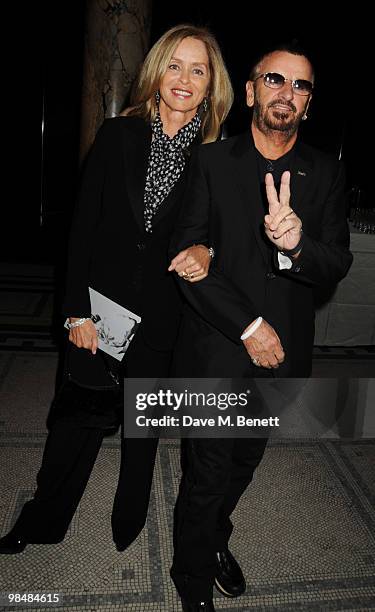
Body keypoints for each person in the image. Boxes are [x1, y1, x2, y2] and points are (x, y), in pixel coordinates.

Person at [0, 24, 233, 555]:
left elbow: (221, 236)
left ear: (210, 85)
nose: (183, 78)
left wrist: (209, 252)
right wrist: (75, 311)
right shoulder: (117, 136)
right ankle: (43, 520)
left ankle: (127, 519)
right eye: (174, 65)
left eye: (198, 70)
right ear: (156, 73)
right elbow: (82, 227)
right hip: (99, 309)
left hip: (165, 314)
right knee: (73, 424)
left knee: (142, 430)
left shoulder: (219, 160)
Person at [168, 43, 353, 611]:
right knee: (208, 469)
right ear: (250, 91)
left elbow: (336, 263)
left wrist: (298, 244)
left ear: (308, 103)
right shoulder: (211, 162)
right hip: (217, 347)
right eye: (275, 79)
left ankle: (214, 536)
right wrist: (248, 324)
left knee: (244, 461)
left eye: (301, 85)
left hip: (285, 357)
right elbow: (185, 258)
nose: (287, 93)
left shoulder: (325, 172)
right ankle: (191, 577)